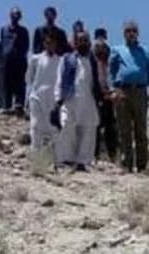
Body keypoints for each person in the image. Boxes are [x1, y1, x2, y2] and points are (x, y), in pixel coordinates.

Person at [108, 20, 149, 172]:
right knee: (124, 129)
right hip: (122, 91)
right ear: (124, 33)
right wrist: (113, 89)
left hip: (140, 91)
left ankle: (142, 165)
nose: (131, 33)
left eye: (133, 31)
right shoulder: (117, 50)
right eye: (128, 31)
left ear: (138, 33)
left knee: (141, 129)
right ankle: (126, 164)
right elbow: (111, 70)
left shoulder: (146, 51)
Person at [55, 31, 102, 172]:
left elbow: (99, 80)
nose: (82, 43)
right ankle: (67, 159)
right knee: (68, 127)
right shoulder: (66, 59)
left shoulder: (93, 61)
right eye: (80, 40)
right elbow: (59, 78)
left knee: (88, 129)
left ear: (89, 43)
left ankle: (82, 161)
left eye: (85, 40)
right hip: (70, 98)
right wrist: (58, 98)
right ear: (75, 43)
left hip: (88, 98)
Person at [26, 31, 61, 152]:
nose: (50, 44)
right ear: (44, 44)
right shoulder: (35, 59)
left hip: (52, 98)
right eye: (47, 42)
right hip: (36, 96)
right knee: (36, 125)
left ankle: (57, 156)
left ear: (56, 44)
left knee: (53, 127)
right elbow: (29, 78)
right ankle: (35, 153)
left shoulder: (60, 61)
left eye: (52, 42)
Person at [0, 7, 30, 115]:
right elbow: (2, 44)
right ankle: (7, 106)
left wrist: (20, 55)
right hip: (7, 61)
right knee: (7, 84)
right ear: (10, 15)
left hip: (20, 61)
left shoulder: (23, 30)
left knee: (20, 84)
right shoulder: (4, 29)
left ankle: (19, 106)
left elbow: (26, 46)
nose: (15, 16)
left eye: (18, 15)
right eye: (14, 14)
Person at [93, 39, 118, 162]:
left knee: (110, 127)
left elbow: (114, 80)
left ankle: (112, 154)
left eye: (103, 48)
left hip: (110, 98)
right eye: (98, 48)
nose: (101, 51)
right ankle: (95, 154)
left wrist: (112, 92)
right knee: (96, 126)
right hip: (97, 97)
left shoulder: (111, 65)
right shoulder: (92, 63)